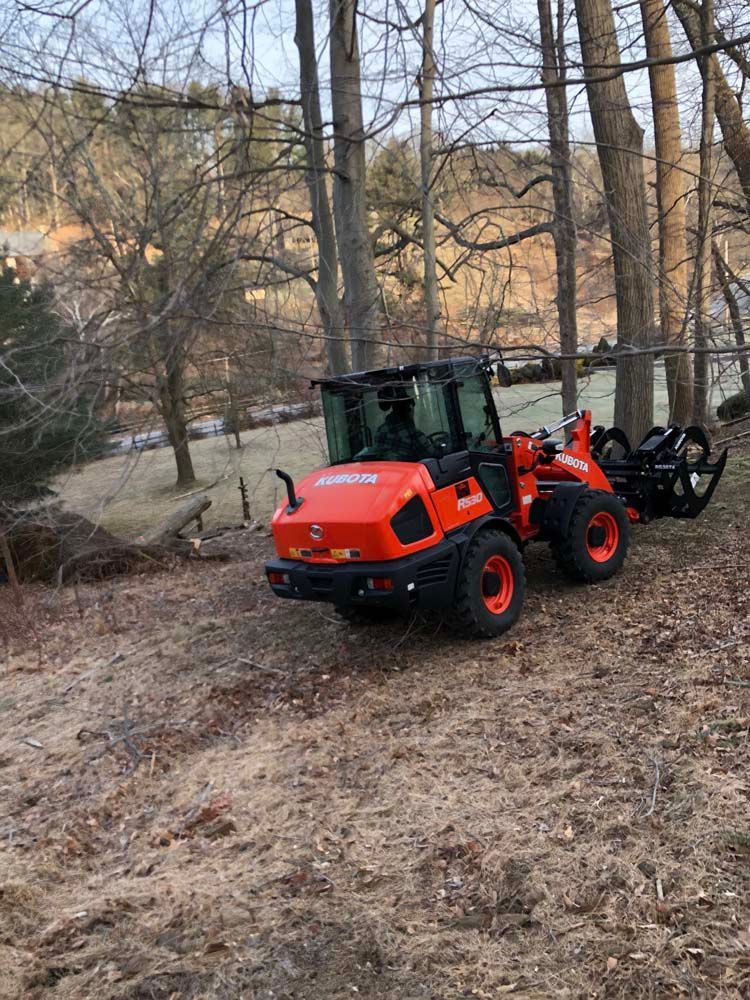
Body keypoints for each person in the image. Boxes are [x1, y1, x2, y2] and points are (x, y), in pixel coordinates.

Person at [375, 392, 432, 460]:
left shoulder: (380, 430)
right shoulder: (413, 434)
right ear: (410, 408)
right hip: (409, 469)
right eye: (412, 410)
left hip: (387, 469)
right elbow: (430, 454)